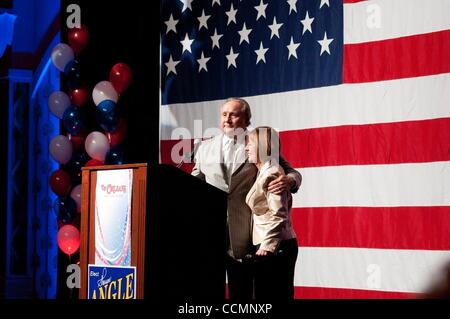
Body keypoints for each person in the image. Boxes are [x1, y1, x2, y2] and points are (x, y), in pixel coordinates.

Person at [191, 97, 302, 299]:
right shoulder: (204, 148)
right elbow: (193, 182)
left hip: (247, 235)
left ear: (247, 119)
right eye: (224, 114)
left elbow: (292, 172)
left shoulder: (258, 143)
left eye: (233, 114)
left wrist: (290, 181)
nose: (227, 119)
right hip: (211, 232)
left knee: (245, 293)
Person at [245, 126, 298, 300]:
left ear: (262, 146)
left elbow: (278, 215)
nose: (246, 148)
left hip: (273, 246)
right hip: (265, 244)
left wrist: (267, 246)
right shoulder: (264, 167)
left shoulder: (273, 172)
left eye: (250, 144)